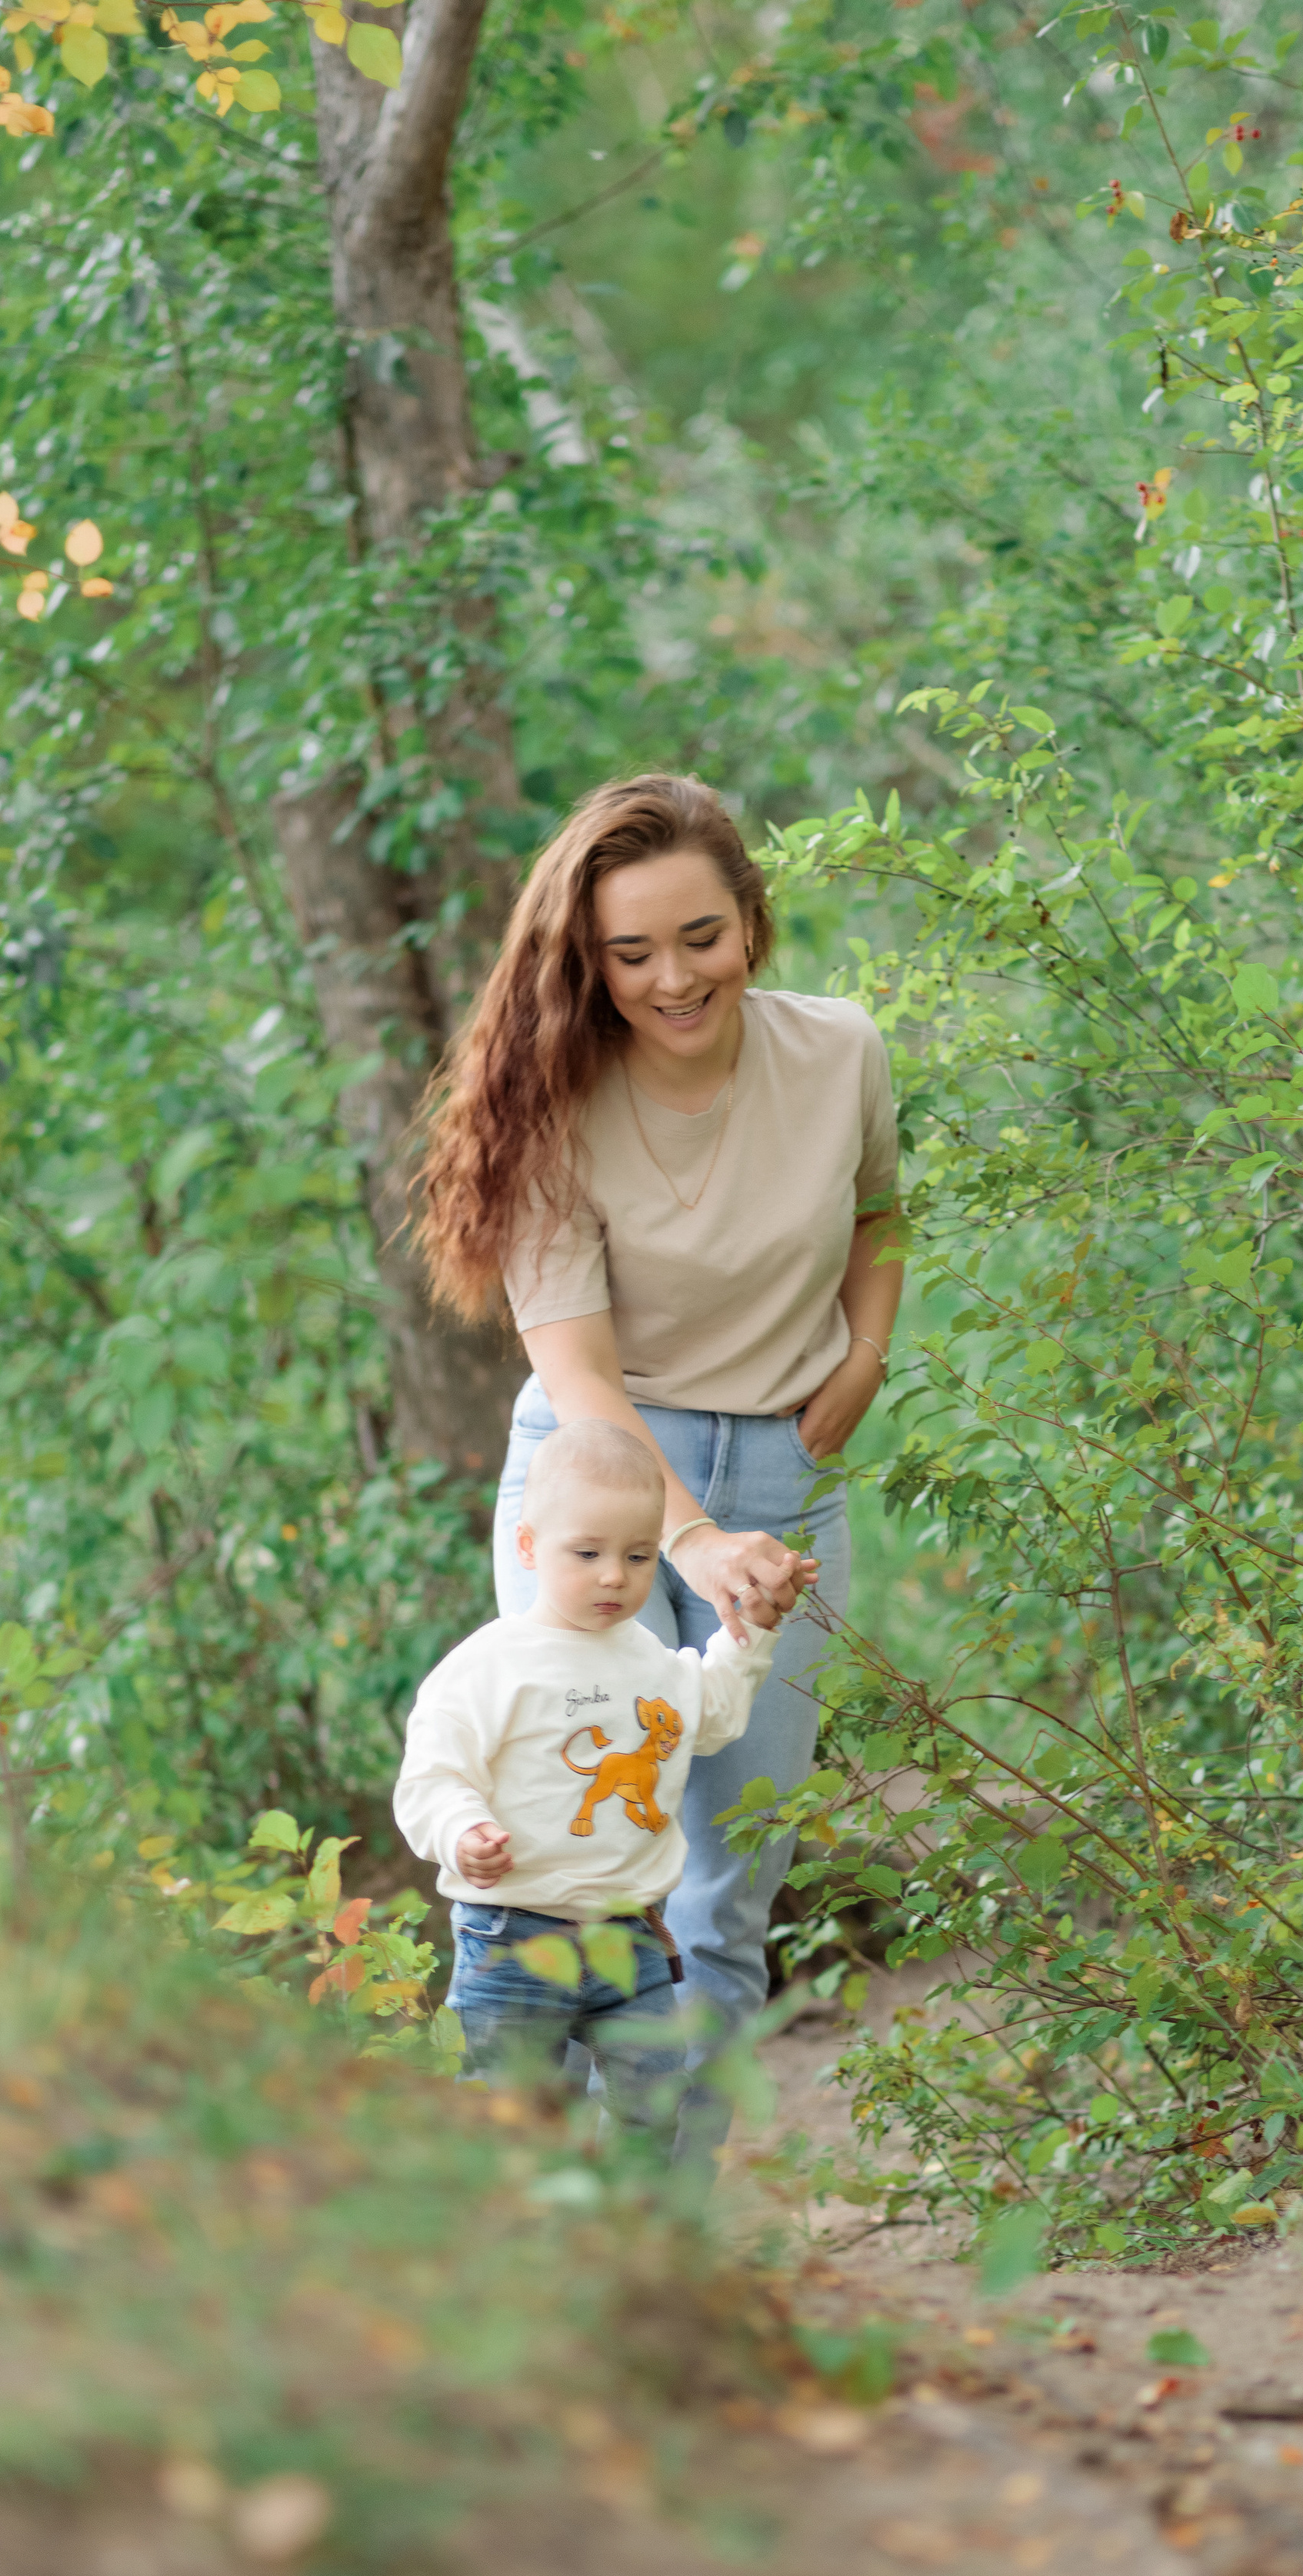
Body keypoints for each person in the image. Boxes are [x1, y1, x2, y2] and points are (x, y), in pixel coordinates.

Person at [416, 773, 902, 2147]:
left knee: (726, 1895)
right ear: (590, 960)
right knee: (564, 1877)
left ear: (751, 919)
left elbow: (883, 1210)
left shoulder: (841, 1051)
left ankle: (660, 2241)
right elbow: (579, 1379)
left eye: (701, 937)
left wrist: (864, 1355)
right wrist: (685, 1539)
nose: (672, 977)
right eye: (631, 953)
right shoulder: (551, 1095)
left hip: (788, 1472)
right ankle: (549, 2235)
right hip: (592, 1486)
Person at [392, 1418, 780, 2141]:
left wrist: (749, 1635)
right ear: (529, 1547)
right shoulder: (491, 1665)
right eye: (588, 1553)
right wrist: (459, 1832)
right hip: (513, 1933)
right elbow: (433, 1775)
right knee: (509, 2117)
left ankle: (628, 2243)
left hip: (627, 1934)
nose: (614, 1575)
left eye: (638, 1556)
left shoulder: (652, 1660)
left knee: (649, 2108)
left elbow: (716, 1713)